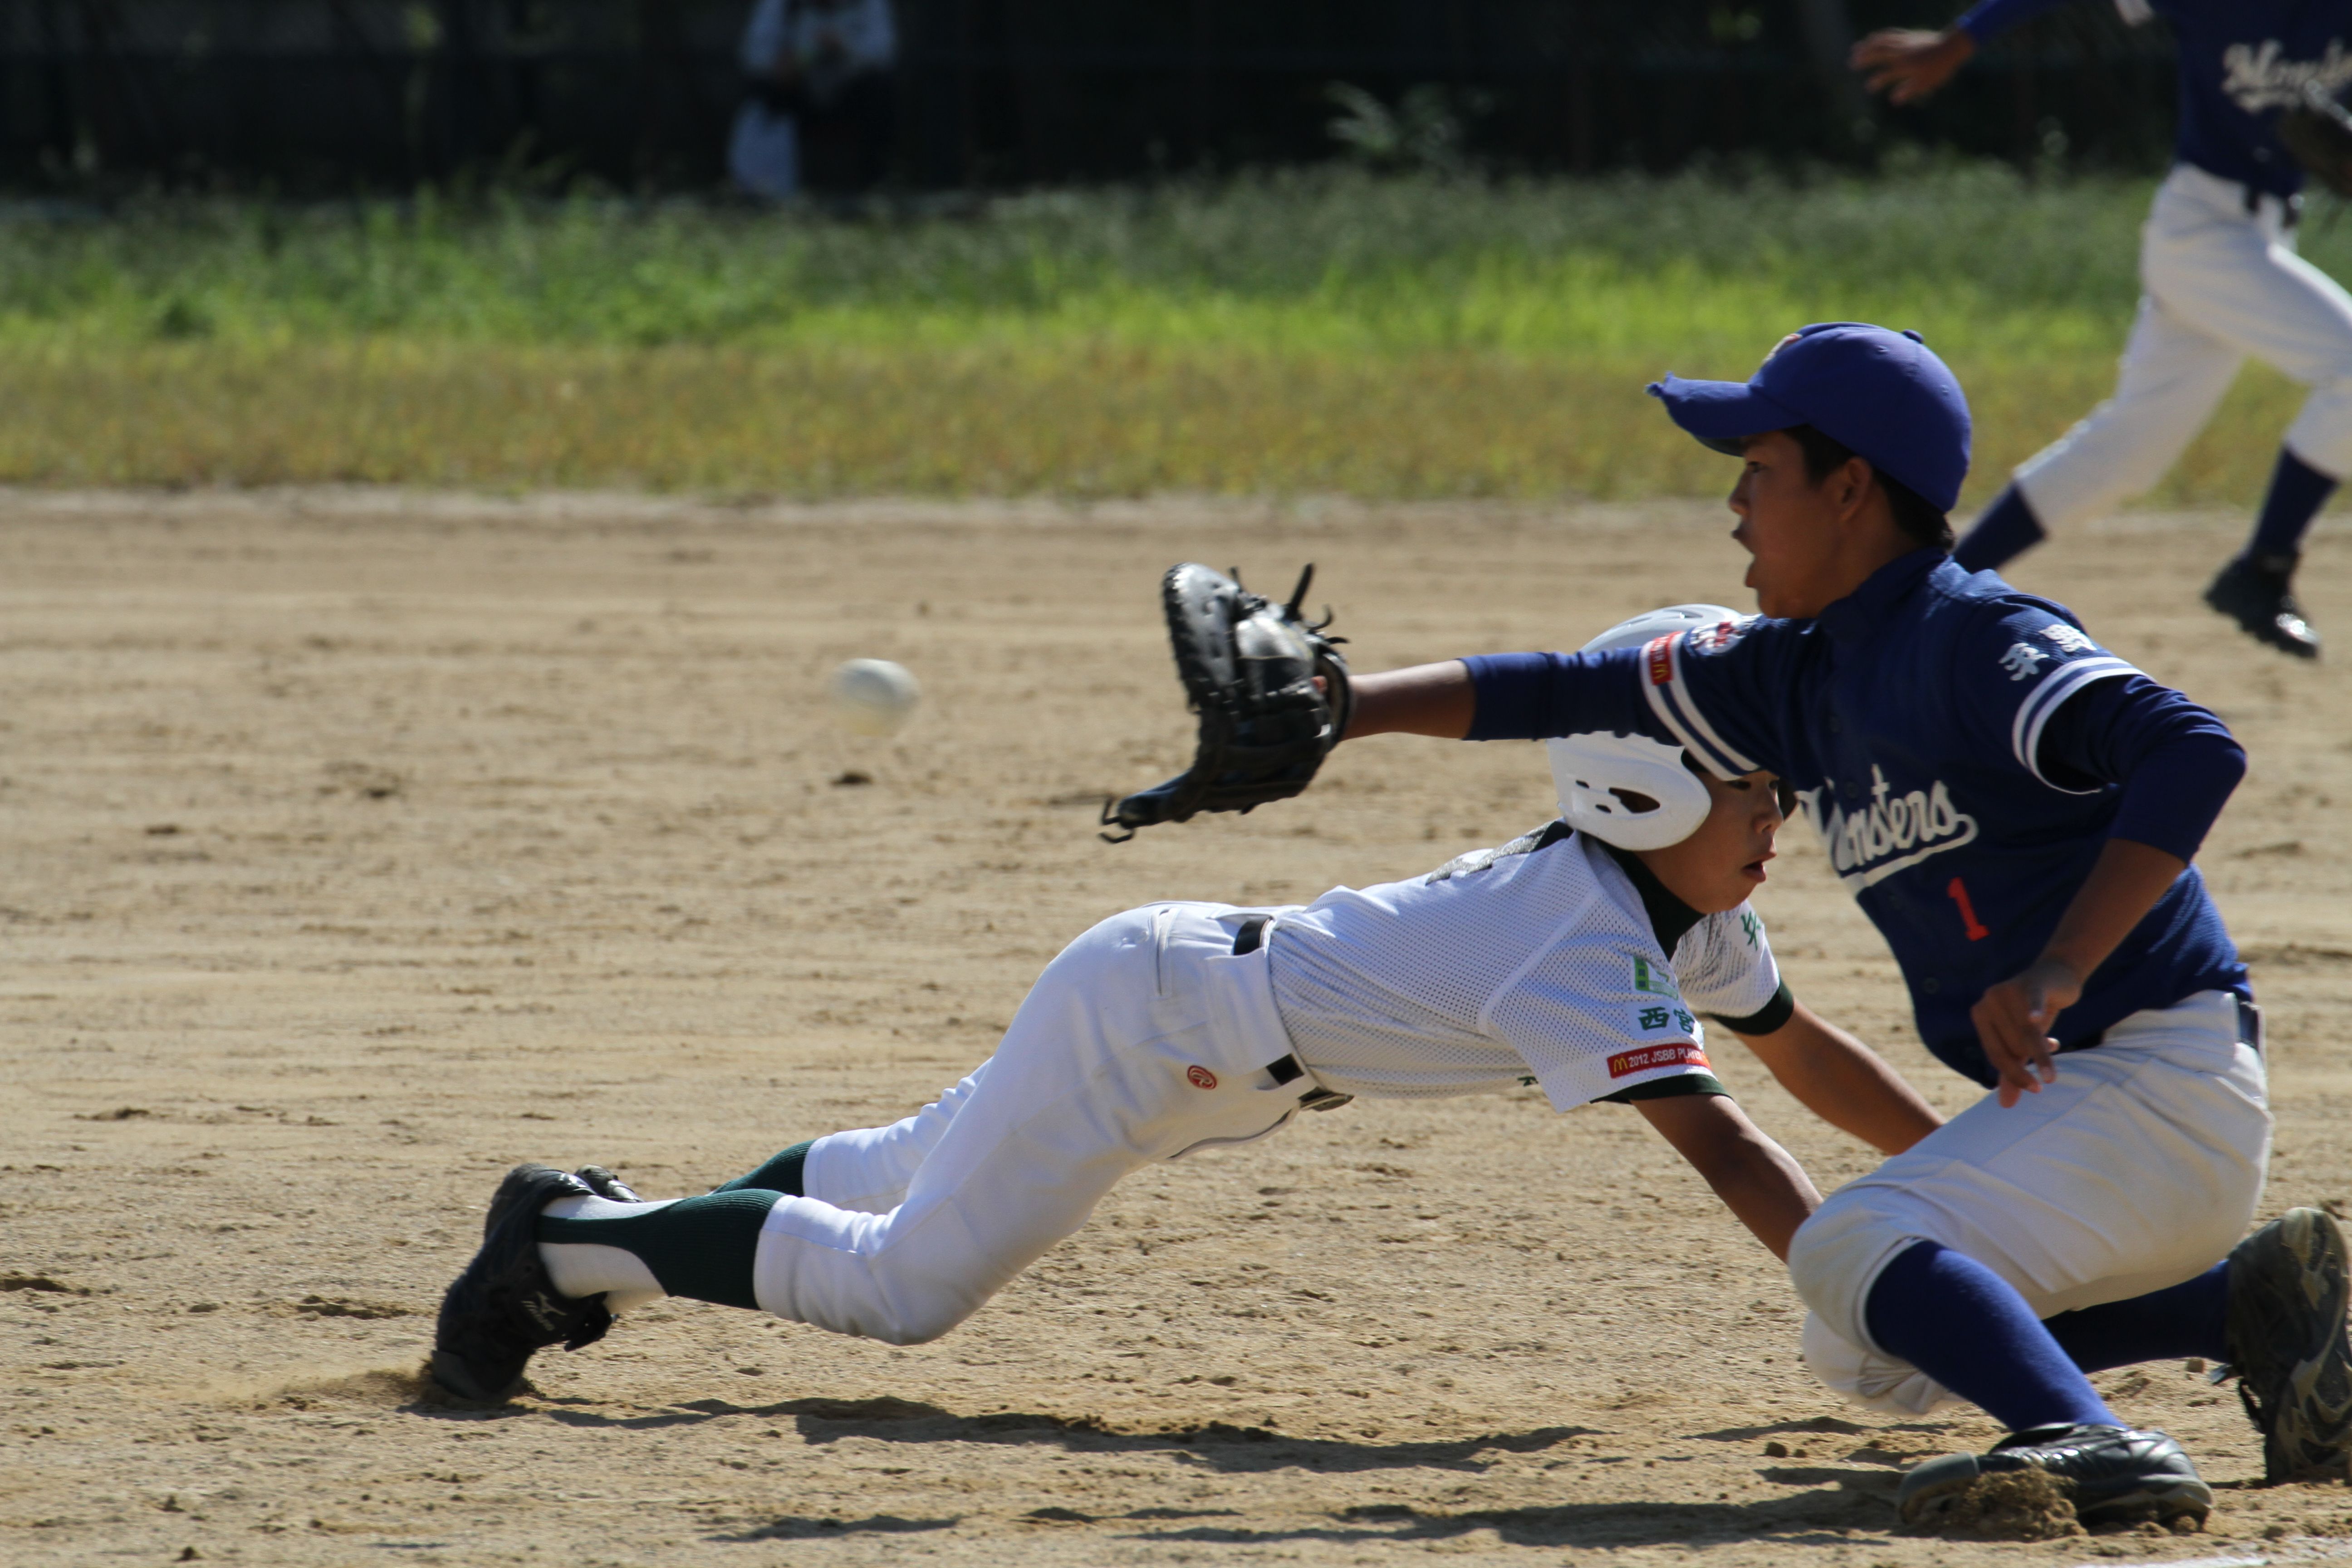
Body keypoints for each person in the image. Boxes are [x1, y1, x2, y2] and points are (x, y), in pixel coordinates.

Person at [1322, 322, 2349, 1528]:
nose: (1736, 508)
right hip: (2096, 1108)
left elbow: (2191, 749)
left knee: (1857, 1239)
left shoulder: (1975, 638)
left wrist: (2061, 964)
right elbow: (1562, 687)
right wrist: (1340, 707)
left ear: (1850, 488)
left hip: (2162, 1084)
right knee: (1866, 1342)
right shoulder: (1801, 672)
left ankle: (2094, 1446)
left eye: (1760, 470)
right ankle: (2243, 1308)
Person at [428, 607, 1948, 1411]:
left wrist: (1956, 1168)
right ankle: (566, 1240)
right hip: (1158, 1029)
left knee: (886, 1175)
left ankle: (603, 1252)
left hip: (1178, 1014)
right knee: (904, 1287)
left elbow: (1802, 1050)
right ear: (1645, 787)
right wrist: (1887, 1292)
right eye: (1756, 784)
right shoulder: (1578, 942)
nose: (1783, 811)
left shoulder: (1685, 910)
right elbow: (1729, 1146)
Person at [1851, 3, 2348, 660]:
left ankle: (1923, 600)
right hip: (2203, 230)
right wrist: (1961, 41)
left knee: (2126, 451)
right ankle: (2263, 568)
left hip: (2263, 239)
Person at [728, 0, 898, 201]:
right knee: (763, 96)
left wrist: (845, 48)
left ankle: (874, 191)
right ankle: (766, 189)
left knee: (881, 93)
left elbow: (884, 52)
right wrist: (781, 65)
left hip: (850, 91)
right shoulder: (780, 6)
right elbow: (754, 55)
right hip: (798, 91)